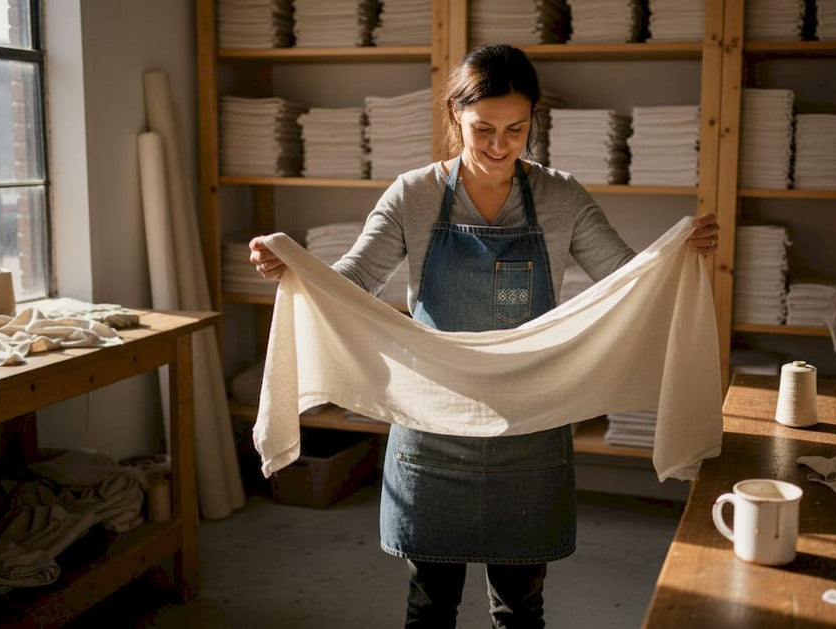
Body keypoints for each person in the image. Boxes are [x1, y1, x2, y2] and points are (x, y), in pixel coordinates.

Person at [249, 43, 719, 629]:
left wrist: (675, 255)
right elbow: (353, 280)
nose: (500, 145)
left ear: (533, 120)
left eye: (516, 130)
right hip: (433, 428)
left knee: (520, 608)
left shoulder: (561, 197)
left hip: (530, 429)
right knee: (429, 606)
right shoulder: (414, 195)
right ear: (455, 115)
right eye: (483, 129)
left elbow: (627, 279)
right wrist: (294, 268)